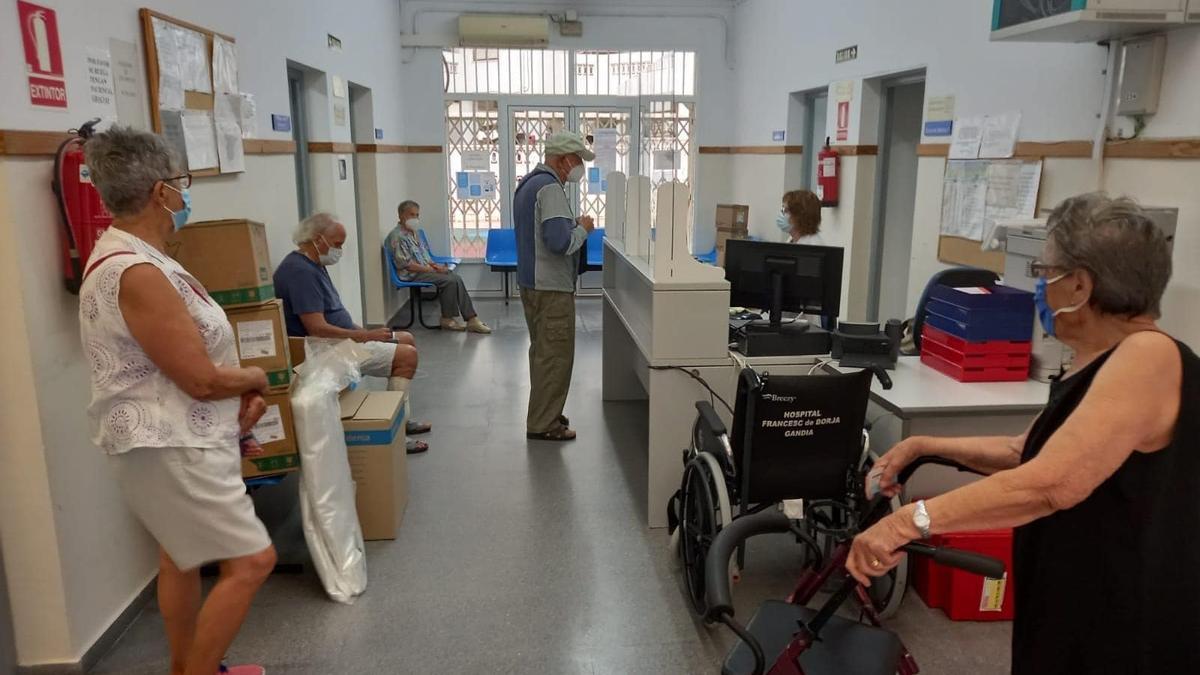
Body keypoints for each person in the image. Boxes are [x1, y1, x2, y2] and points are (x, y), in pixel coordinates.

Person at [848, 193, 1197, 674]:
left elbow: (1053, 482)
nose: (1037, 286)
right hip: (1074, 598)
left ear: (1078, 285)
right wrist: (920, 445)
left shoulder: (1148, 357)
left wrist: (907, 522)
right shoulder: (1099, 361)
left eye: (1042, 270)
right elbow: (1024, 453)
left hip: (1125, 618)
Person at [80, 126, 274, 675]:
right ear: (160, 191)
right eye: (180, 184)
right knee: (253, 561)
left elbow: (182, 373)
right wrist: (255, 377)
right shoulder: (136, 272)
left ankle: (191, 664)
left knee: (179, 554)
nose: (185, 196)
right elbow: (200, 380)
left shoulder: (141, 255)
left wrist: (233, 413)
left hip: (178, 437)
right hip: (167, 447)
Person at [273, 212, 432, 454]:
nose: (339, 251)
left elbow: (334, 315)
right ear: (318, 239)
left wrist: (367, 332)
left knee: (406, 338)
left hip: (337, 341)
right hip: (322, 350)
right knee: (406, 356)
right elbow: (317, 329)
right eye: (337, 244)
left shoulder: (312, 265)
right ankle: (398, 433)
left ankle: (401, 418)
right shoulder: (300, 273)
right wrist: (366, 336)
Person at [512, 131, 596, 441]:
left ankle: (545, 411)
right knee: (555, 357)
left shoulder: (527, 185)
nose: (578, 167)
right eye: (576, 160)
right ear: (562, 160)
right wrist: (583, 229)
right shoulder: (550, 189)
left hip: (532, 284)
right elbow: (559, 243)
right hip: (551, 289)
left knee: (542, 354)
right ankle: (543, 424)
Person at [385, 200, 491, 333]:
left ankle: (468, 319)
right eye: (412, 215)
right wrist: (429, 270)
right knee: (450, 281)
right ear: (401, 215)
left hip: (423, 270)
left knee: (454, 277)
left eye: (417, 215)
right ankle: (454, 319)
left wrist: (436, 267)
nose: (415, 218)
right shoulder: (397, 236)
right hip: (411, 275)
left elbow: (425, 257)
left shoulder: (414, 233)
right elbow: (407, 265)